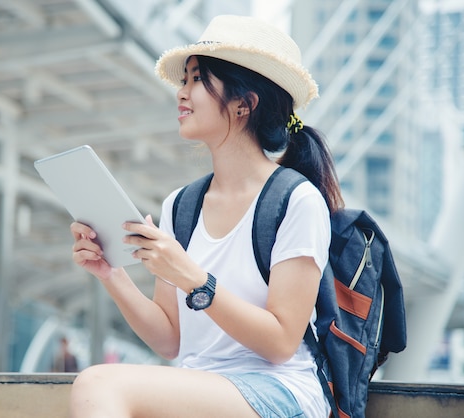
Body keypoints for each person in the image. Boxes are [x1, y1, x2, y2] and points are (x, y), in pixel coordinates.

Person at [69, 14, 344, 418]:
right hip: (203, 384)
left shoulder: (296, 201)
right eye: (185, 80)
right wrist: (112, 273)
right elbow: (171, 341)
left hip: (281, 392)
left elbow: (282, 341)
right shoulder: (180, 206)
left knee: (97, 384)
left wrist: (192, 277)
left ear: (243, 104)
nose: (182, 93)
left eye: (197, 79)